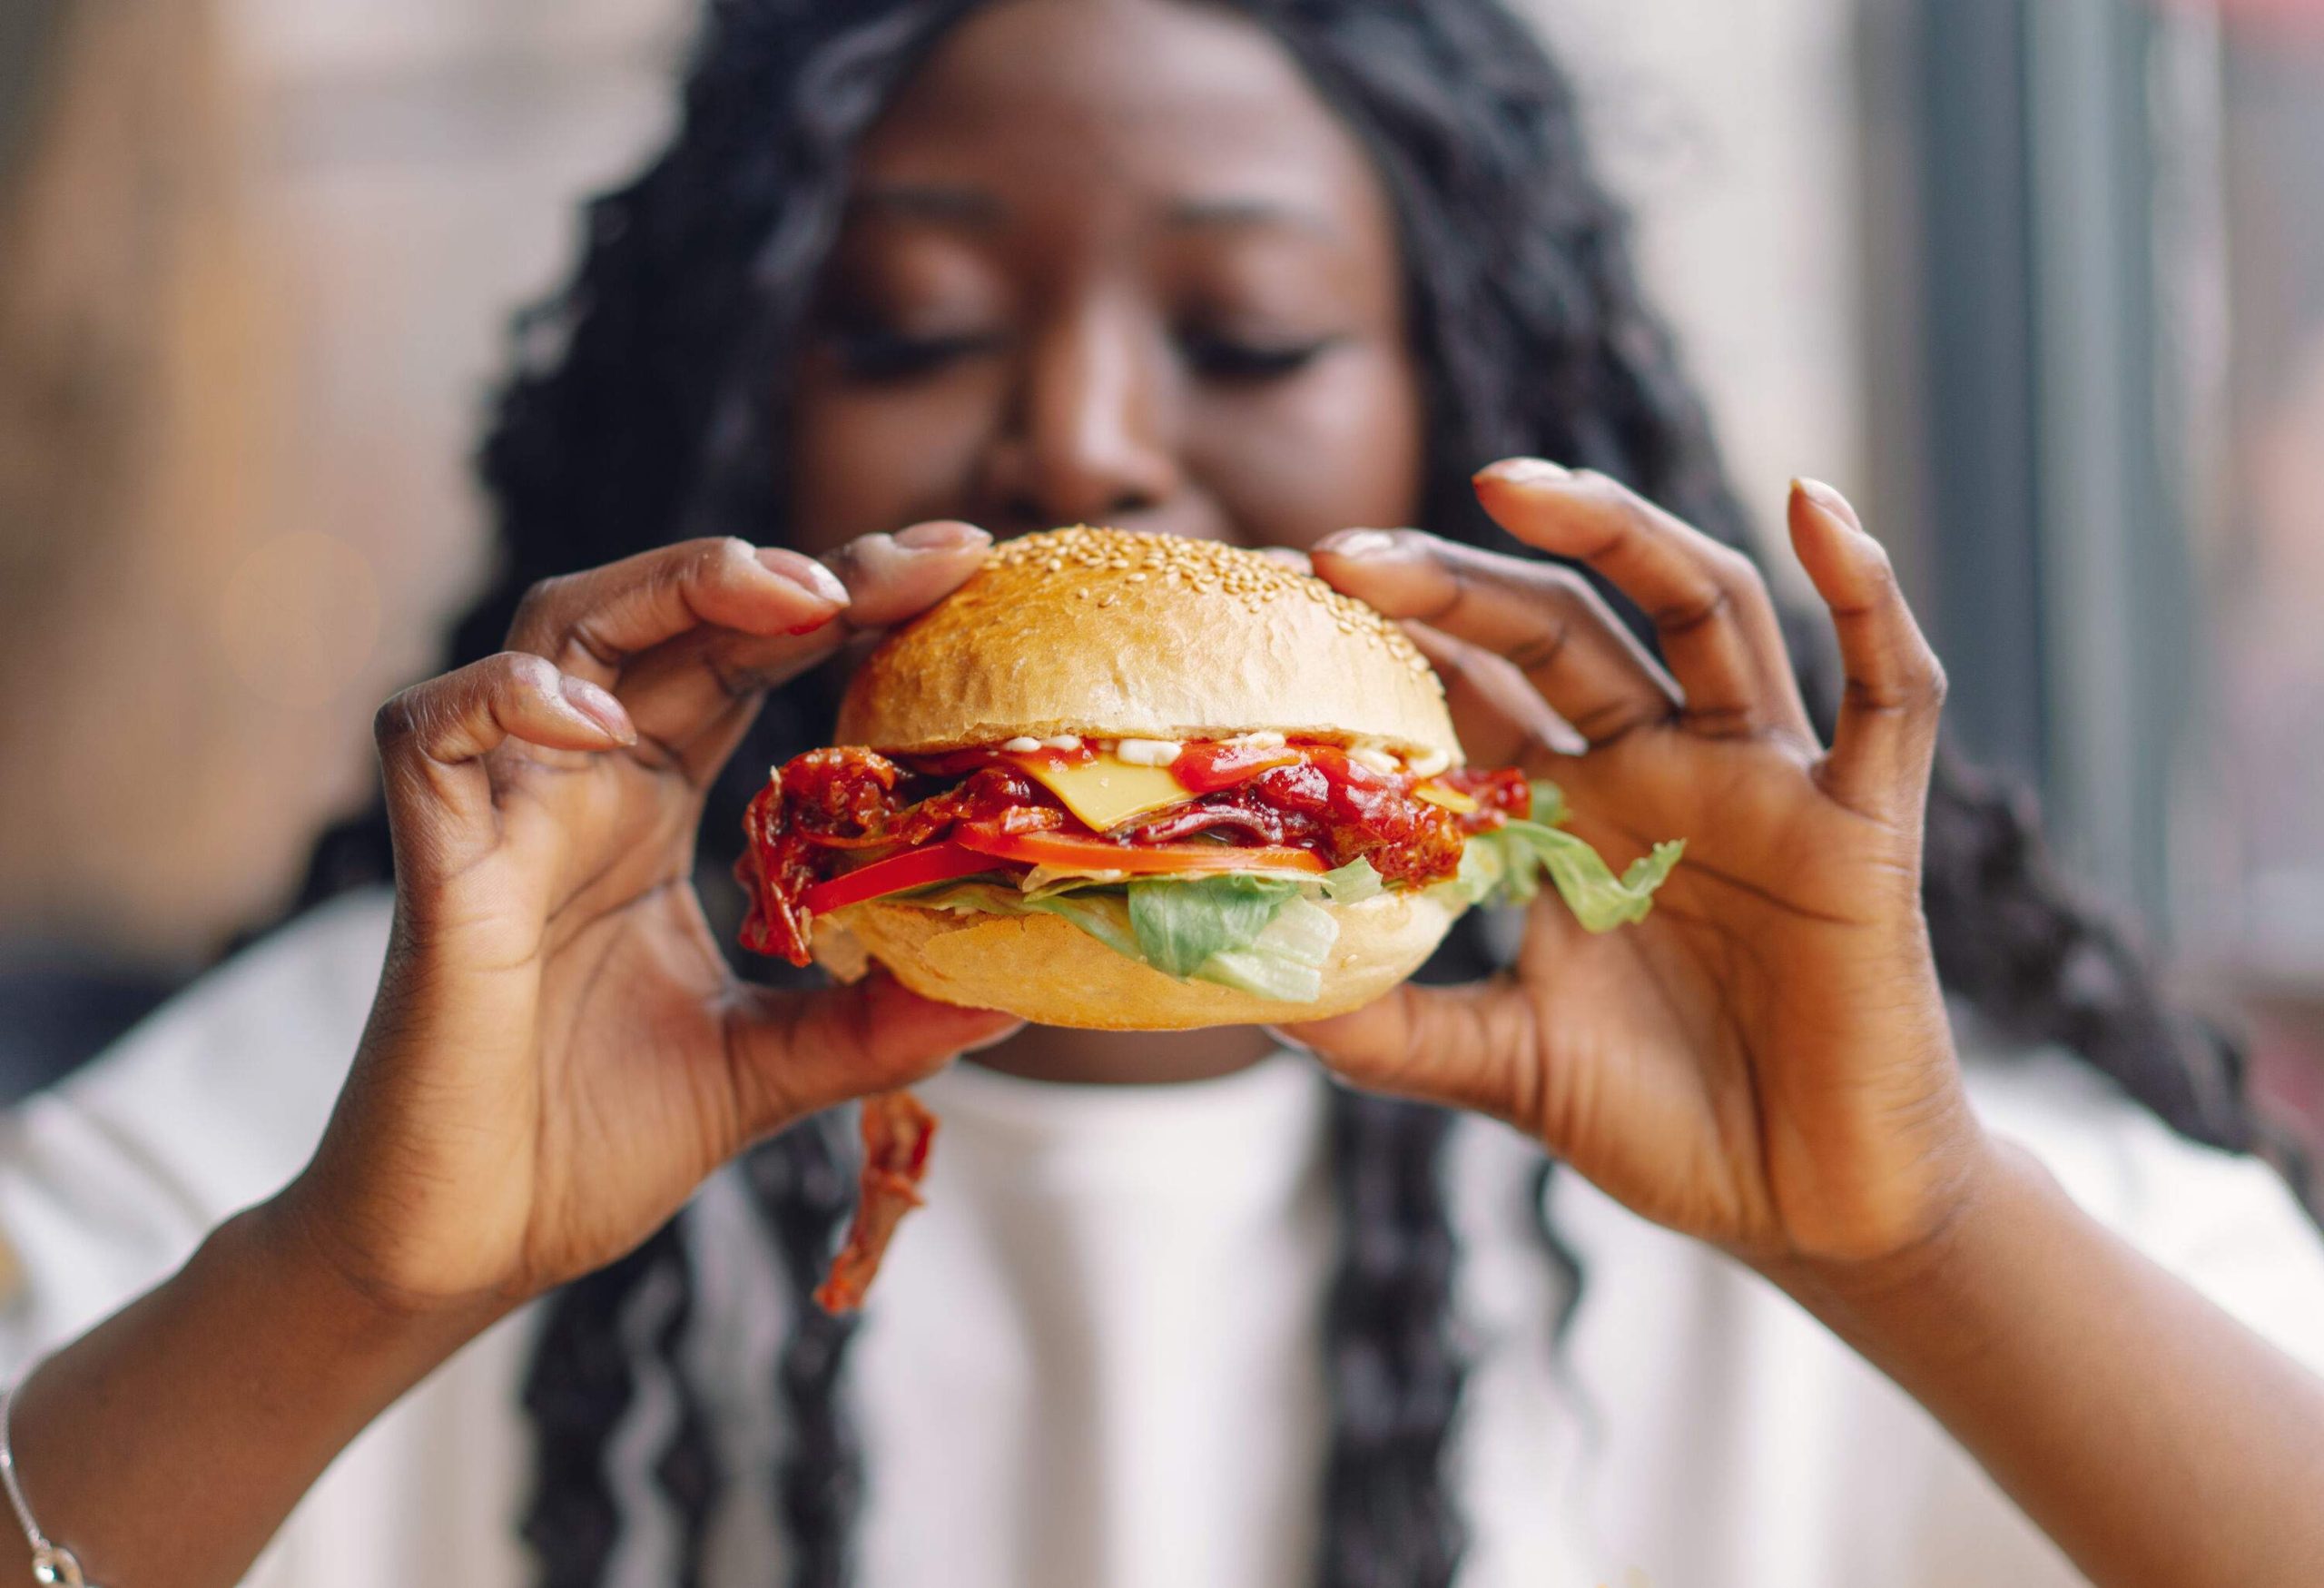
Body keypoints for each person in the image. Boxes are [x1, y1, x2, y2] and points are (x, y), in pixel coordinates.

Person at [3, 2, 2321, 1585]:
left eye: (1247, 337)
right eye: (905, 327)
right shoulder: (395, 1077)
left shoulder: (1859, 1099)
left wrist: (1911, 1244)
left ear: (1452, 423)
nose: (1085, 439)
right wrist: (345, 1282)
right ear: (739, 434)